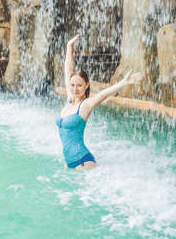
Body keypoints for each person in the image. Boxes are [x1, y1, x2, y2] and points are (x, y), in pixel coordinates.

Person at [56, 35, 142, 170]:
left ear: (86, 86)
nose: (75, 89)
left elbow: (103, 94)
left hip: (83, 161)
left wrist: (124, 83)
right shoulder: (70, 99)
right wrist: (69, 47)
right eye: (72, 85)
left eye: (79, 85)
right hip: (69, 163)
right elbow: (68, 69)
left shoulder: (84, 106)